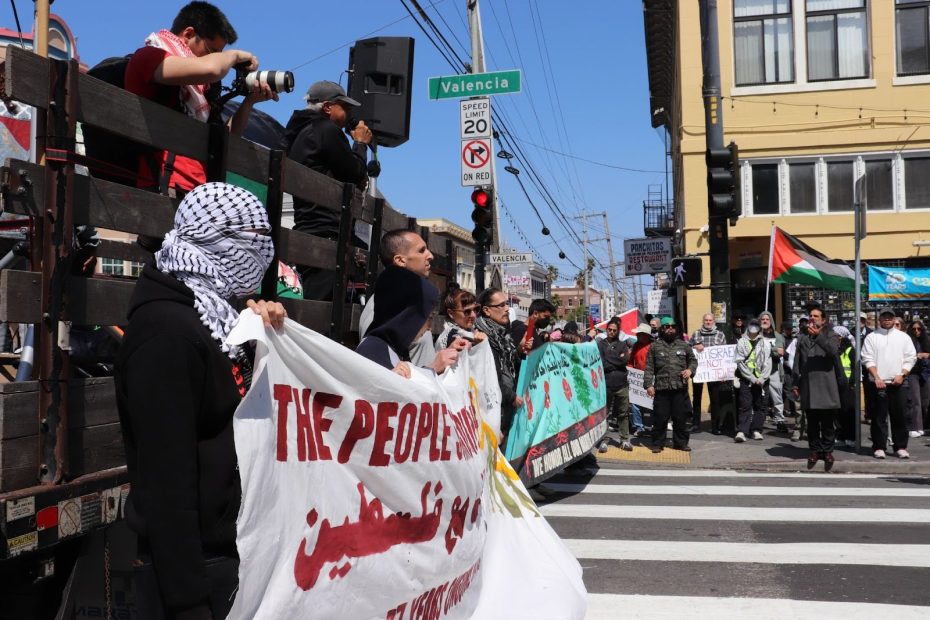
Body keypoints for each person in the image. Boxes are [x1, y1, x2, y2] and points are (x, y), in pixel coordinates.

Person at [115, 183, 286, 619]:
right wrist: (189, 602)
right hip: (191, 573)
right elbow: (166, 480)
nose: (263, 252)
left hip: (230, 555)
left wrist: (275, 337)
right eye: (252, 240)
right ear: (214, 240)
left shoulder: (218, 318)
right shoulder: (167, 333)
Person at [125, 2, 275, 195]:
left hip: (199, 189)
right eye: (213, 51)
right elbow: (212, 68)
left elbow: (225, 138)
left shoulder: (197, 91)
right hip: (165, 185)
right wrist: (234, 55)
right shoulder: (149, 56)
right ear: (188, 35)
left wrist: (249, 102)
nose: (218, 58)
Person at [284, 80, 373, 300]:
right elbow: (354, 172)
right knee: (327, 302)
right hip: (328, 229)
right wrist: (360, 144)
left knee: (319, 298)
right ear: (327, 107)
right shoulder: (326, 130)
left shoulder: (300, 131)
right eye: (345, 107)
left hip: (309, 226)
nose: (350, 113)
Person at [356, 266, 459, 377]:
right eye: (428, 318)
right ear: (408, 316)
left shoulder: (388, 347)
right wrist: (433, 368)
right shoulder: (373, 350)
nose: (429, 327)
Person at [359, 230, 436, 366]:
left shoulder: (406, 300)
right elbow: (372, 363)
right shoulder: (383, 306)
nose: (430, 256)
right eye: (421, 250)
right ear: (400, 260)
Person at [792, 305, 844, 471]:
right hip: (808, 384)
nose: (812, 318)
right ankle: (814, 450)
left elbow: (833, 352)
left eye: (816, 316)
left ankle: (827, 451)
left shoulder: (832, 335)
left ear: (823, 320)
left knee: (828, 422)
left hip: (826, 383)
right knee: (812, 422)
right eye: (810, 315)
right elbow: (797, 361)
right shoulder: (802, 337)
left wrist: (819, 336)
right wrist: (795, 383)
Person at [862, 308, 917, 459]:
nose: (887, 319)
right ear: (879, 320)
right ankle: (879, 446)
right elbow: (867, 358)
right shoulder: (871, 337)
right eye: (884, 317)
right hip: (879, 383)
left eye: (890, 317)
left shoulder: (903, 337)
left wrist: (902, 374)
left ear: (894, 319)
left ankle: (900, 446)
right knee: (879, 417)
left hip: (898, 382)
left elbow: (911, 357)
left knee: (900, 415)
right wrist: (876, 377)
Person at [475, 288, 522, 447]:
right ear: (487, 310)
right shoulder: (483, 338)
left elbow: (511, 368)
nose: (507, 309)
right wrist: (511, 396)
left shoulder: (503, 336)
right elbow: (489, 379)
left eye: (506, 304)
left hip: (506, 409)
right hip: (494, 411)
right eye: (500, 305)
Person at [644, 317, 697, 453]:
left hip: (679, 388)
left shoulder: (684, 345)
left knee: (680, 418)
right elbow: (649, 367)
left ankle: (681, 443)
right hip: (661, 389)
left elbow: (693, 360)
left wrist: (690, 370)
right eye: (667, 326)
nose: (670, 329)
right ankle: (657, 443)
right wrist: (649, 385)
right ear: (662, 328)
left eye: (672, 326)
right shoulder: (655, 346)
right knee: (660, 418)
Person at [597, 318, 633, 453]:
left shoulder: (622, 344)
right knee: (605, 414)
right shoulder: (600, 344)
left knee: (623, 413)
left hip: (621, 384)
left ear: (618, 331)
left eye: (614, 330)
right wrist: (617, 359)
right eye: (609, 329)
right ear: (606, 329)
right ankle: (604, 440)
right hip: (605, 384)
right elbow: (601, 362)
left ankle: (624, 439)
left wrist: (610, 359)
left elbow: (625, 360)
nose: (611, 332)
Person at [734, 319, 772, 443]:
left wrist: (762, 378)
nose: (754, 328)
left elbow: (768, 361)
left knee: (760, 405)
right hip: (747, 379)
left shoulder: (765, 343)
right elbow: (740, 361)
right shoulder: (741, 342)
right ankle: (742, 431)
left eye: (756, 325)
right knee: (745, 405)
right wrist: (751, 378)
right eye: (752, 325)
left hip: (761, 380)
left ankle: (756, 430)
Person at [690, 312, 727, 434]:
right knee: (697, 398)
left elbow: (724, 355)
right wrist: (695, 346)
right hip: (699, 371)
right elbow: (688, 350)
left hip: (714, 372)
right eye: (706, 320)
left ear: (714, 322)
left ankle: (715, 426)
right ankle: (696, 424)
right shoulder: (695, 334)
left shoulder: (720, 335)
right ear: (703, 321)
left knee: (715, 399)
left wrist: (723, 373)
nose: (708, 322)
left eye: (710, 320)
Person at [833, 325, 858, 448]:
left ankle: (851, 436)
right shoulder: (834, 350)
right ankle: (841, 435)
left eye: (836, 336)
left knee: (849, 411)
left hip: (848, 385)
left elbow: (854, 368)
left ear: (842, 337)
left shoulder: (849, 350)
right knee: (838, 412)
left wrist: (852, 381)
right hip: (836, 384)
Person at [786, 316, 809, 441]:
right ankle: (798, 430)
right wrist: (796, 378)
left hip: (812, 379)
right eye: (802, 323)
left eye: (807, 323)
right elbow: (792, 361)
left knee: (812, 407)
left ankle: (812, 430)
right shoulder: (797, 341)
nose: (804, 325)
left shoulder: (816, 339)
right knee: (799, 407)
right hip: (800, 378)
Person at [906, 320, 930, 437]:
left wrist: (927, 355)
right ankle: (915, 427)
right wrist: (917, 356)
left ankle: (924, 426)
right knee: (915, 401)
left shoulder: (927, 341)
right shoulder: (908, 341)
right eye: (914, 329)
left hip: (925, 372)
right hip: (912, 372)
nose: (916, 331)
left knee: (926, 402)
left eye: (919, 329)